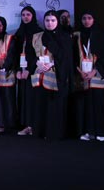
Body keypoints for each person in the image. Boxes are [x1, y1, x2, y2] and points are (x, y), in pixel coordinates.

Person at [31, 10, 73, 140]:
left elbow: (66, 58)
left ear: (57, 21)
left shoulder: (64, 37)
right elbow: (30, 54)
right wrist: (37, 62)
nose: (50, 23)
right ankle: (41, 131)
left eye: (53, 20)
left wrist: (52, 63)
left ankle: (53, 133)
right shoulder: (38, 36)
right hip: (40, 75)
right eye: (47, 20)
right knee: (41, 105)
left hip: (57, 76)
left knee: (54, 106)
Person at [73, 10, 104, 142]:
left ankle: (101, 132)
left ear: (94, 19)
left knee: (98, 103)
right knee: (85, 104)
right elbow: (73, 55)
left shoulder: (101, 34)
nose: (86, 21)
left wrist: (94, 71)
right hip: (82, 74)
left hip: (97, 73)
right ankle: (88, 132)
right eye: (84, 18)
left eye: (89, 18)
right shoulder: (78, 35)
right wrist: (80, 71)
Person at [13, 6, 41, 136]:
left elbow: (39, 54)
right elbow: (15, 53)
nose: (25, 17)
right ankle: (26, 125)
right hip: (22, 70)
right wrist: (18, 70)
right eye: (23, 15)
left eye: (28, 14)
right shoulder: (19, 32)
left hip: (34, 70)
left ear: (33, 16)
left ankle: (34, 125)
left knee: (32, 98)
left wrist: (29, 69)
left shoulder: (39, 32)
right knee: (23, 98)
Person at [0, 17, 17, 133]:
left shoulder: (10, 38)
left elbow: (12, 54)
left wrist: (5, 66)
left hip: (6, 74)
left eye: (0, 25)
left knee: (7, 99)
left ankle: (9, 124)